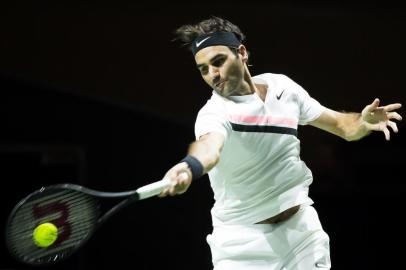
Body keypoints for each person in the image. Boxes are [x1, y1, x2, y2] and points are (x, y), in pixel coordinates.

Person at [158, 16, 402, 270]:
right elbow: (209, 148)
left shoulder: (283, 88)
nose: (213, 75)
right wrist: (188, 167)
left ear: (241, 52)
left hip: (301, 234)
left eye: (218, 62)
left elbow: (343, 127)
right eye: (204, 69)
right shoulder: (214, 113)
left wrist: (362, 121)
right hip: (241, 246)